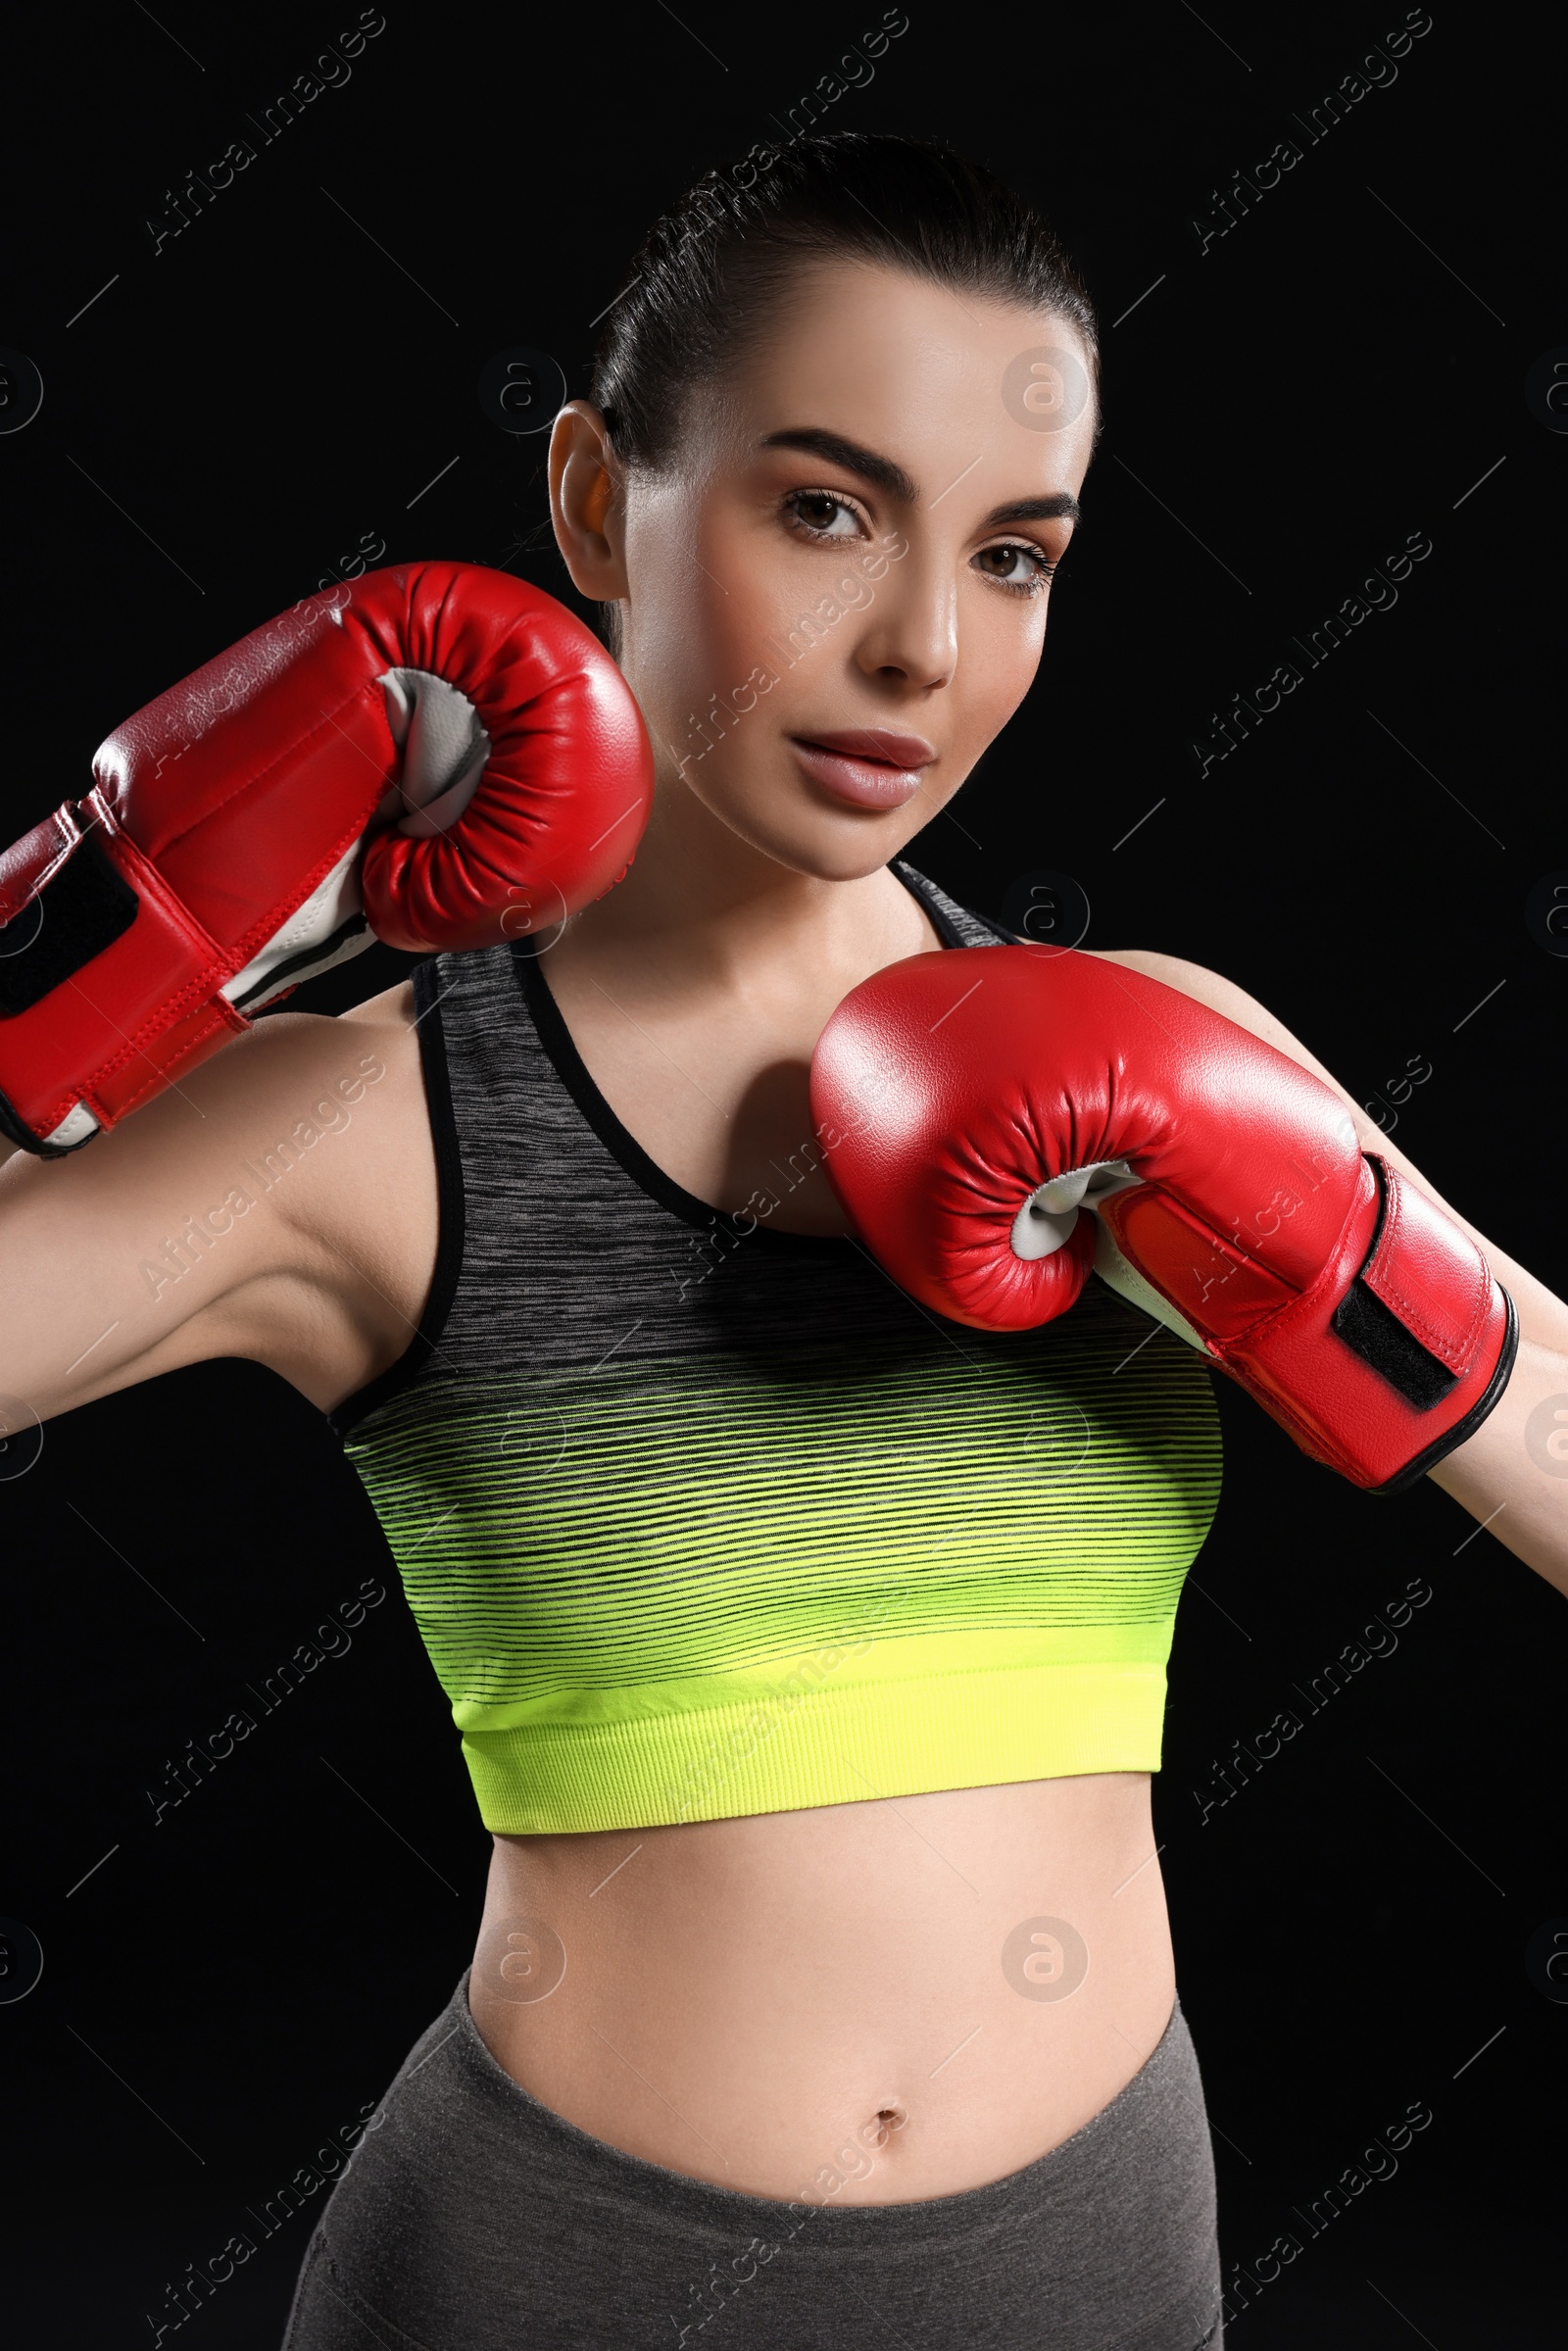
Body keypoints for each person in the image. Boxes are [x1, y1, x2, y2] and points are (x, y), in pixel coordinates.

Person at [2, 132, 1563, 2351]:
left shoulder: (1168, 1060)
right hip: (555, 2284)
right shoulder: (378, 1111)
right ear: (585, 503)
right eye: (821, 507)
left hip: (1102, 2265)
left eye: (1012, 554)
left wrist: (1362, 1281)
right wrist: (122, 935)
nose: (921, 645)